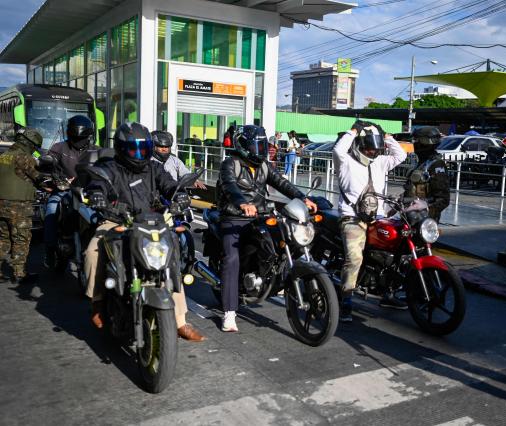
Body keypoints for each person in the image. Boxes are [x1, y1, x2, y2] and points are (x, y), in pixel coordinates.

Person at [84, 122, 205, 342]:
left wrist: (179, 195)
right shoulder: (110, 168)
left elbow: (168, 184)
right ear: (121, 149)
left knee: (172, 259)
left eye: (144, 148)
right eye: (133, 149)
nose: (139, 154)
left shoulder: (153, 168)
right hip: (117, 220)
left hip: (151, 221)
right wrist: (97, 195)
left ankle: (180, 321)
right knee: (94, 250)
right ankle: (98, 302)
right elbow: (97, 183)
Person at [216, 125, 317, 332]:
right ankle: (229, 313)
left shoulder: (263, 166)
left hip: (260, 216)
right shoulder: (230, 163)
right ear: (244, 146)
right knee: (232, 259)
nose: (259, 149)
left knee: (285, 240)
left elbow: (281, 183)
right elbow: (229, 185)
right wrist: (242, 203)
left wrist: (302, 197)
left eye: (262, 144)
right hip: (234, 216)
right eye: (256, 145)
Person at [333, 121, 407, 321]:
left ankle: (388, 292)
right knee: (355, 258)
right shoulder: (346, 161)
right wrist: (353, 131)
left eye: (375, 148)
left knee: (394, 251)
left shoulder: (381, 162)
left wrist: (387, 137)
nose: (372, 152)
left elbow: (401, 155)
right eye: (369, 148)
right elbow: (338, 149)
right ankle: (346, 299)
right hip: (352, 218)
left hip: (378, 218)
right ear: (359, 145)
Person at [44, 115, 100, 267]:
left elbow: (108, 168)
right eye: (75, 137)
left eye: (82, 137)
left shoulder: (97, 151)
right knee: (51, 209)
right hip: (64, 190)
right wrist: (56, 177)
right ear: (69, 134)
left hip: (89, 192)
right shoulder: (58, 148)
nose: (78, 141)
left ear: (89, 136)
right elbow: (48, 161)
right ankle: (50, 249)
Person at [0, 127, 47, 284]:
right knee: (21, 238)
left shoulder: (4, 156)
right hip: (18, 206)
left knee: (3, 238)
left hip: (1, 204)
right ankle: (19, 273)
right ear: (30, 144)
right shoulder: (25, 157)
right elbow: (40, 178)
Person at [403, 126, 450, 223]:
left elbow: (443, 199)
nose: (414, 143)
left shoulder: (436, 165)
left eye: (417, 140)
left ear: (425, 143)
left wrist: (426, 206)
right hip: (411, 216)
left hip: (425, 220)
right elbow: (412, 188)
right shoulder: (421, 162)